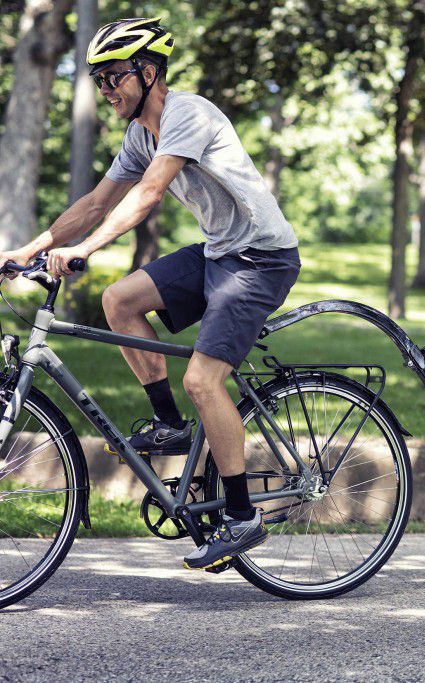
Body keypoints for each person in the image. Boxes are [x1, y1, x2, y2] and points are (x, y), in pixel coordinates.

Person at [0, 18, 300, 570]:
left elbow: (151, 191)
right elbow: (96, 201)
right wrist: (31, 247)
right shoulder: (141, 133)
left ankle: (241, 516)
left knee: (203, 379)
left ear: (149, 71)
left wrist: (86, 249)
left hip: (260, 259)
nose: (108, 90)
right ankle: (170, 424)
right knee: (119, 301)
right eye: (100, 81)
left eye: (115, 77)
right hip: (219, 251)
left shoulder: (188, 114)